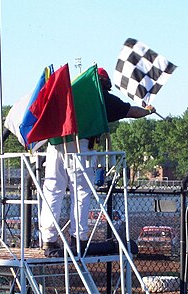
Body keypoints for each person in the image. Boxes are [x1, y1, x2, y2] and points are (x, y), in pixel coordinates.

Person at [41, 67, 155, 257]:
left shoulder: (67, 94)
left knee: (53, 190)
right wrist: (147, 111)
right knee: (81, 191)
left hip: (55, 144)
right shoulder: (101, 98)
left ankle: (48, 240)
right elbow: (130, 111)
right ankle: (79, 238)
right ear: (103, 84)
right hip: (81, 146)